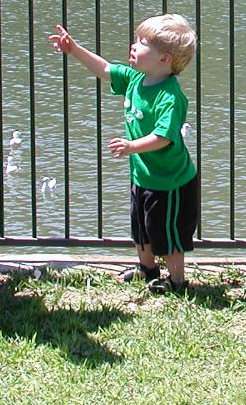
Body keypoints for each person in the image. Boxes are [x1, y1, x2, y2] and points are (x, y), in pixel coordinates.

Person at [48, 15, 199, 295]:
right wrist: (74, 49)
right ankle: (148, 270)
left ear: (164, 59)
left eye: (142, 44)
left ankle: (177, 282)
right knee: (141, 229)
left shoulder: (170, 96)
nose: (133, 46)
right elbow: (105, 69)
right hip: (142, 175)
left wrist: (131, 146)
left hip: (170, 182)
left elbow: (163, 137)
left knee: (168, 236)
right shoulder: (135, 79)